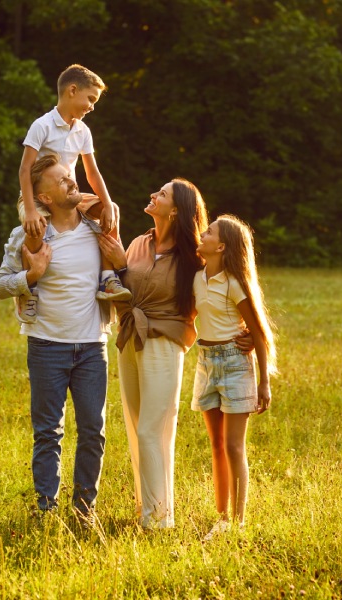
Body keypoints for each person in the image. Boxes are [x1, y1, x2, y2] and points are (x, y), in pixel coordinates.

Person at [0, 153, 113, 524]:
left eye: (70, 175)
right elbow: (1, 286)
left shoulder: (98, 230)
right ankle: (47, 509)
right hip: (46, 346)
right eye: (61, 179)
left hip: (92, 346)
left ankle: (84, 509)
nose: (71, 182)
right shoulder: (28, 236)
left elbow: (121, 265)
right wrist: (33, 275)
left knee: (93, 429)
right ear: (43, 197)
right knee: (48, 432)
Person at [98, 178, 208, 529]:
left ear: (175, 210)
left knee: (153, 428)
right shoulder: (138, 244)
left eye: (161, 194)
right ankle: (149, 507)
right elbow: (123, 289)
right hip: (130, 335)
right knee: (134, 426)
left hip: (164, 339)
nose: (152, 195)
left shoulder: (193, 256)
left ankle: (159, 520)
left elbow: (212, 295)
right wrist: (119, 266)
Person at [15, 64, 130, 324]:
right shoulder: (42, 125)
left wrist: (108, 204)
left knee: (110, 209)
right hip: (37, 197)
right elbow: (24, 170)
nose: (92, 106)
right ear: (72, 90)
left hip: (70, 195)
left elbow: (92, 173)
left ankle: (107, 278)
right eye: (90, 99)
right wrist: (31, 209)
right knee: (35, 226)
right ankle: (29, 291)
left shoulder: (83, 131)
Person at [192, 214, 277, 542]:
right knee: (215, 445)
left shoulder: (233, 283)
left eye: (209, 231)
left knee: (233, 446)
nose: (203, 232)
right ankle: (222, 518)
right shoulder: (198, 278)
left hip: (235, 365)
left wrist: (263, 382)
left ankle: (237, 523)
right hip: (205, 363)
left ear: (222, 246)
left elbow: (257, 331)